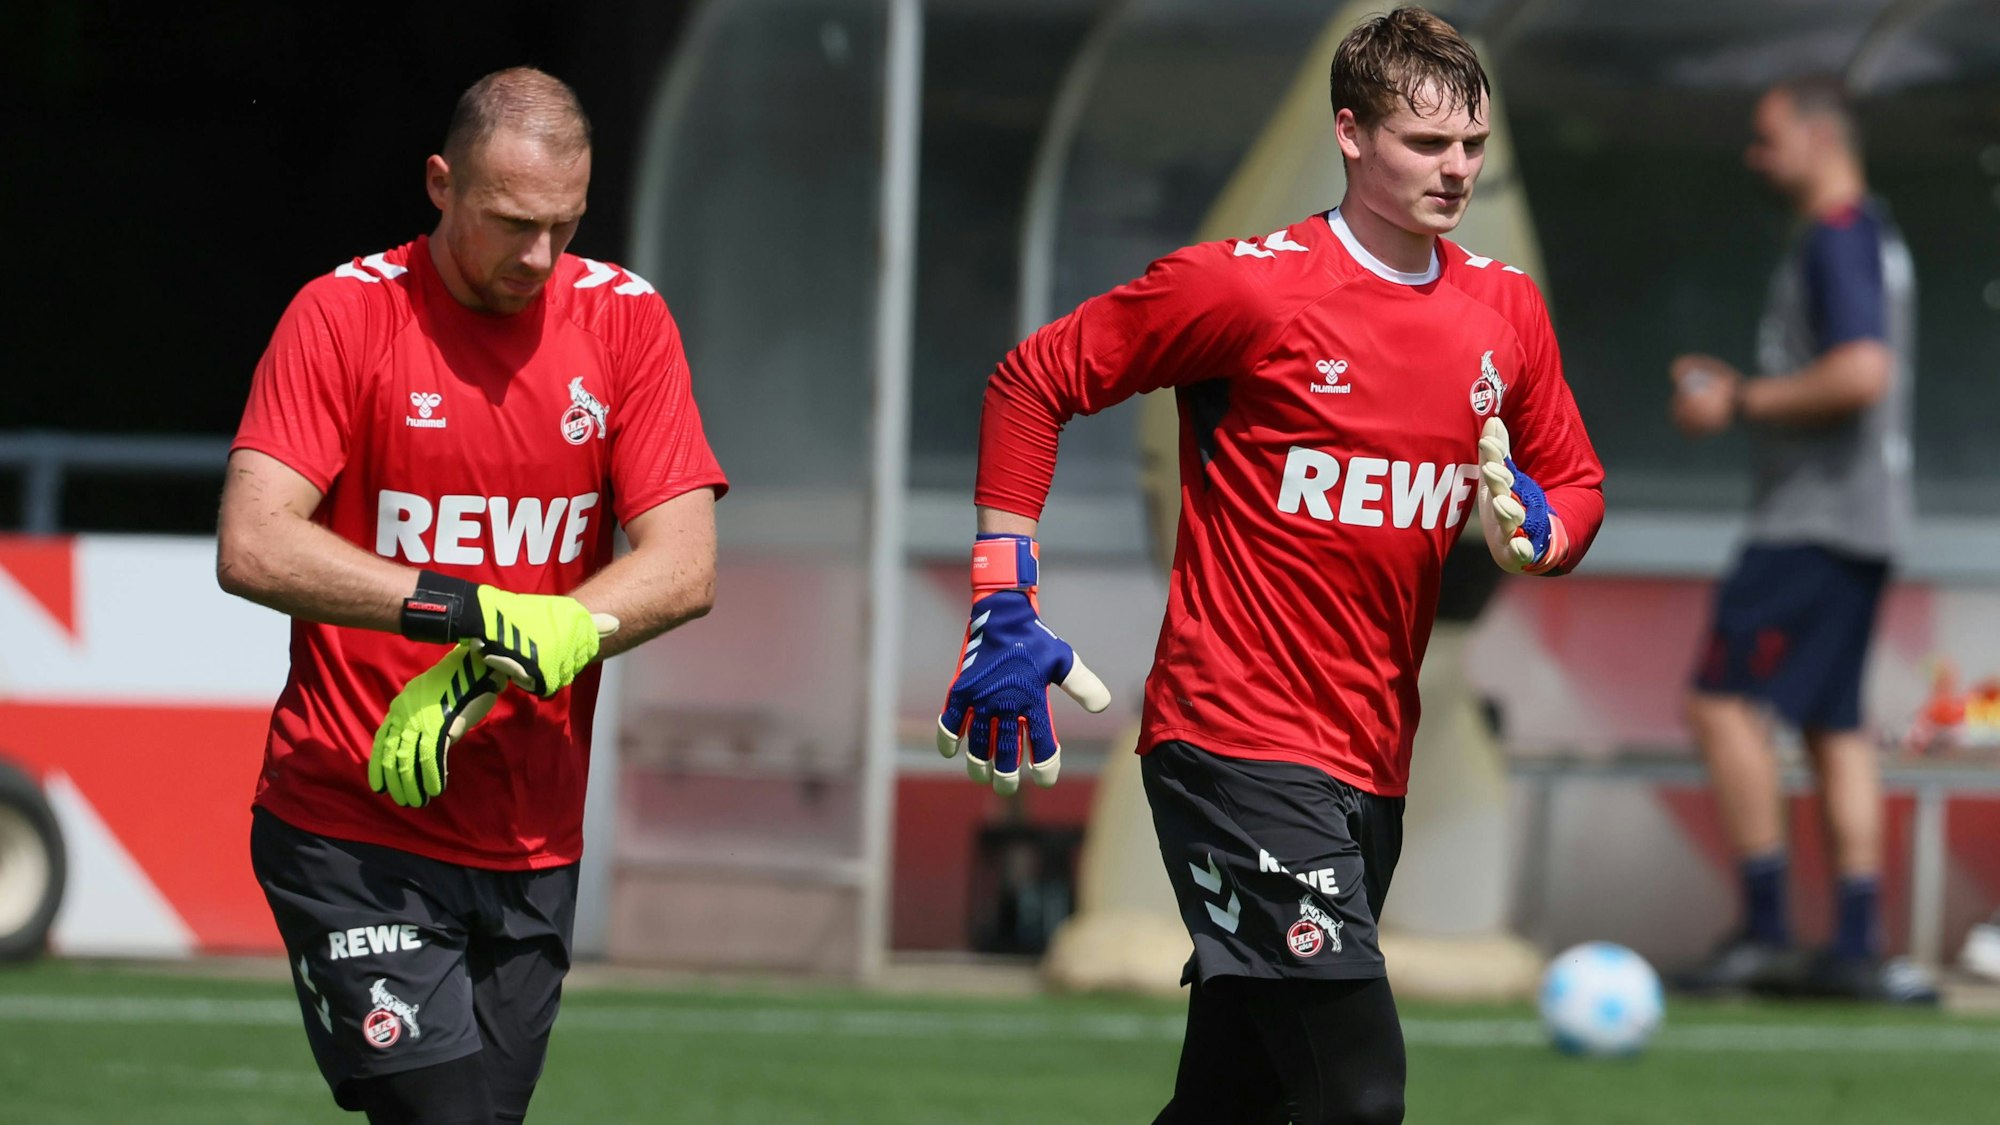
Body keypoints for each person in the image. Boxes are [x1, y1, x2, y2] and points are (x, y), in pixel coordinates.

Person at [932, 9, 1603, 1122]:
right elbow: (1031, 380)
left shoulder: (1503, 309)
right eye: (1425, 145)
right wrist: (1002, 594)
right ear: (1348, 134)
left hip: (1370, 759)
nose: (1457, 172)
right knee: (1356, 1094)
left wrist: (1542, 527)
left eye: (1471, 146)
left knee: (1236, 1101)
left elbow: (1572, 485)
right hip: (1231, 740)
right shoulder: (1247, 288)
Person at [217, 67, 727, 1122]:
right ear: (441, 184)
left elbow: (684, 564)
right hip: (353, 816)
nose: (538, 256)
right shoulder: (343, 316)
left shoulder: (625, 322)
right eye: (510, 223)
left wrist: (557, 628)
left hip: (533, 836)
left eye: (564, 225)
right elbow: (255, 543)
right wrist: (466, 610)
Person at [1668, 75, 1932, 1004]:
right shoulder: (1870, 235)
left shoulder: (1836, 238)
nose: (1757, 153)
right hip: (1861, 520)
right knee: (1832, 722)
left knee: (1720, 700)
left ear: (1821, 140)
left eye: (1769, 135)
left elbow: (1861, 373)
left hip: (1814, 520)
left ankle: (1770, 931)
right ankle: (1856, 944)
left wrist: (1736, 398)